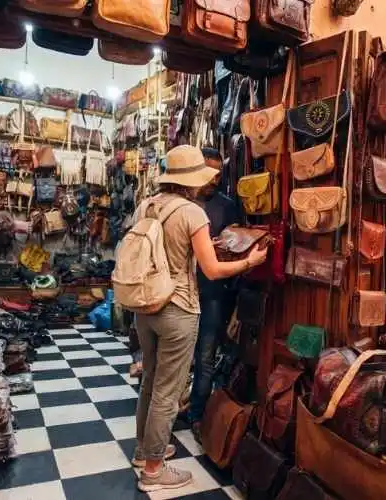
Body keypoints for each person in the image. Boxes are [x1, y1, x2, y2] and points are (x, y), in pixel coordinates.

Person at [132, 145, 267, 493]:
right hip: (178, 306)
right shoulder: (193, 213)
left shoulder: (147, 204)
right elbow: (212, 268)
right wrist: (250, 262)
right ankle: (153, 468)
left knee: (150, 379)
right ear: (193, 180)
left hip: (145, 306)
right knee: (167, 390)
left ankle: (143, 451)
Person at [189, 148, 240, 441]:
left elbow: (235, 241)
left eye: (218, 172)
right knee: (176, 356)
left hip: (213, 291)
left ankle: (198, 414)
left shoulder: (226, 205)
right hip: (182, 290)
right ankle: (167, 412)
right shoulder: (184, 203)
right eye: (209, 171)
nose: (214, 178)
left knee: (206, 356)